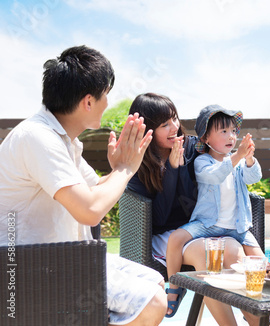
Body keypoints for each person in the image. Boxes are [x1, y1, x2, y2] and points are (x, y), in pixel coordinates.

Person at [0, 46, 171, 325]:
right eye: (106, 94)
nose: (108, 103)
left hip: (62, 258)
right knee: (152, 302)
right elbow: (90, 210)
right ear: (89, 102)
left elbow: (95, 190)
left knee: (153, 279)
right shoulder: (38, 138)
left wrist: (119, 169)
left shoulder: (64, 141)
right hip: (29, 269)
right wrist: (125, 169)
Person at [126, 95, 261, 325]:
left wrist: (243, 158)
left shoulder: (191, 145)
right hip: (167, 234)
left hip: (205, 225)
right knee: (211, 253)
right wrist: (172, 170)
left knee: (232, 249)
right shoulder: (139, 162)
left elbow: (212, 179)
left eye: (175, 119)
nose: (174, 128)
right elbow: (158, 218)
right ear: (148, 130)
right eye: (164, 125)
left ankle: (256, 318)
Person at [164, 104, 265, 313]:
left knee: (262, 264)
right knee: (175, 238)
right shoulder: (203, 162)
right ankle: (174, 287)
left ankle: (255, 311)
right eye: (224, 131)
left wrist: (248, 158)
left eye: (234, 132)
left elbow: (253, 177)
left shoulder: (237, 163)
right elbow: (216, 175)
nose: (231, 137)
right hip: (208, 225)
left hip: (237, 228)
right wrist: (237, 157)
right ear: (206, 139)